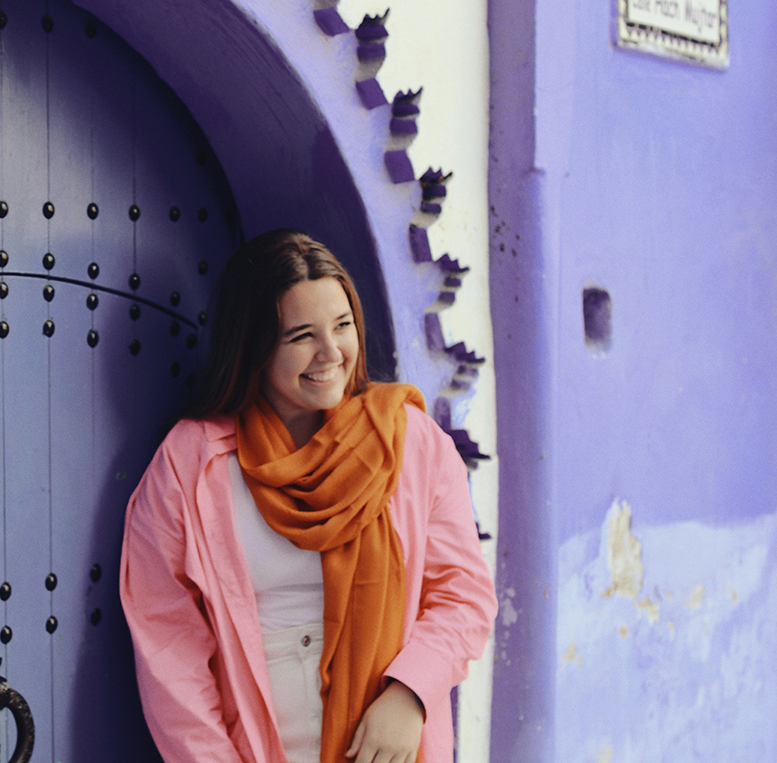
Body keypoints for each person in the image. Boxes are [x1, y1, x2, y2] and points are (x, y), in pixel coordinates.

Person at [119, 230, 497, 763]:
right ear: (254, 346)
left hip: (385, 746)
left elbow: (463, 594)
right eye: (301, 335)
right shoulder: (191, 463)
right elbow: (168, 645)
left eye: (342, 326)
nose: (331, 353)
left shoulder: (408, 443)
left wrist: (410, 694)